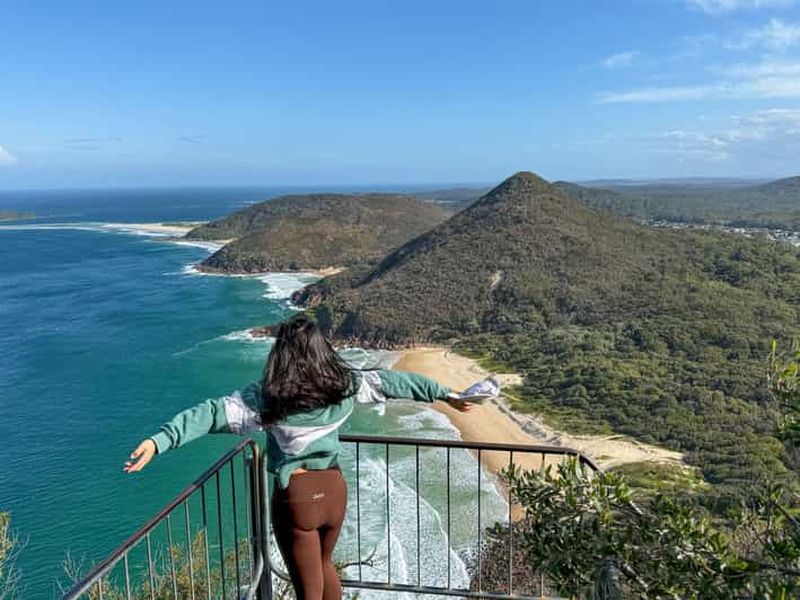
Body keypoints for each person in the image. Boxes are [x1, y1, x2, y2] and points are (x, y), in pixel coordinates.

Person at [123, 315, 481, 600]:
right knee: (325, 568)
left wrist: (160, 441)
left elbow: (213, 413)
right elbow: (393, 382)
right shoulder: (345, 385)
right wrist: (444, 393)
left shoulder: (269, 399)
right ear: (322, 349)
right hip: (335, 490)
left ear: (281, 354)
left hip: (298, 499)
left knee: (307, 590)